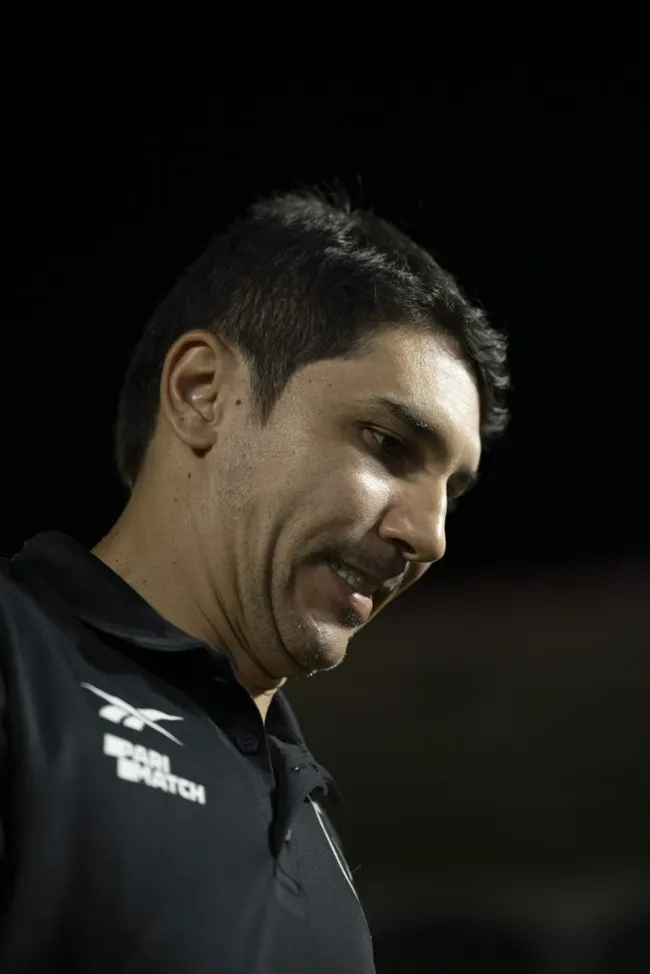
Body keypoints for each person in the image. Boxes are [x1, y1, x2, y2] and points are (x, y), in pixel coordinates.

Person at [0, 188, 509, 973]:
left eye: (452, 491)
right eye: (387, 443)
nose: (430, 536)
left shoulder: (313, 831)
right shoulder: (20, 664)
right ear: (204, 394)